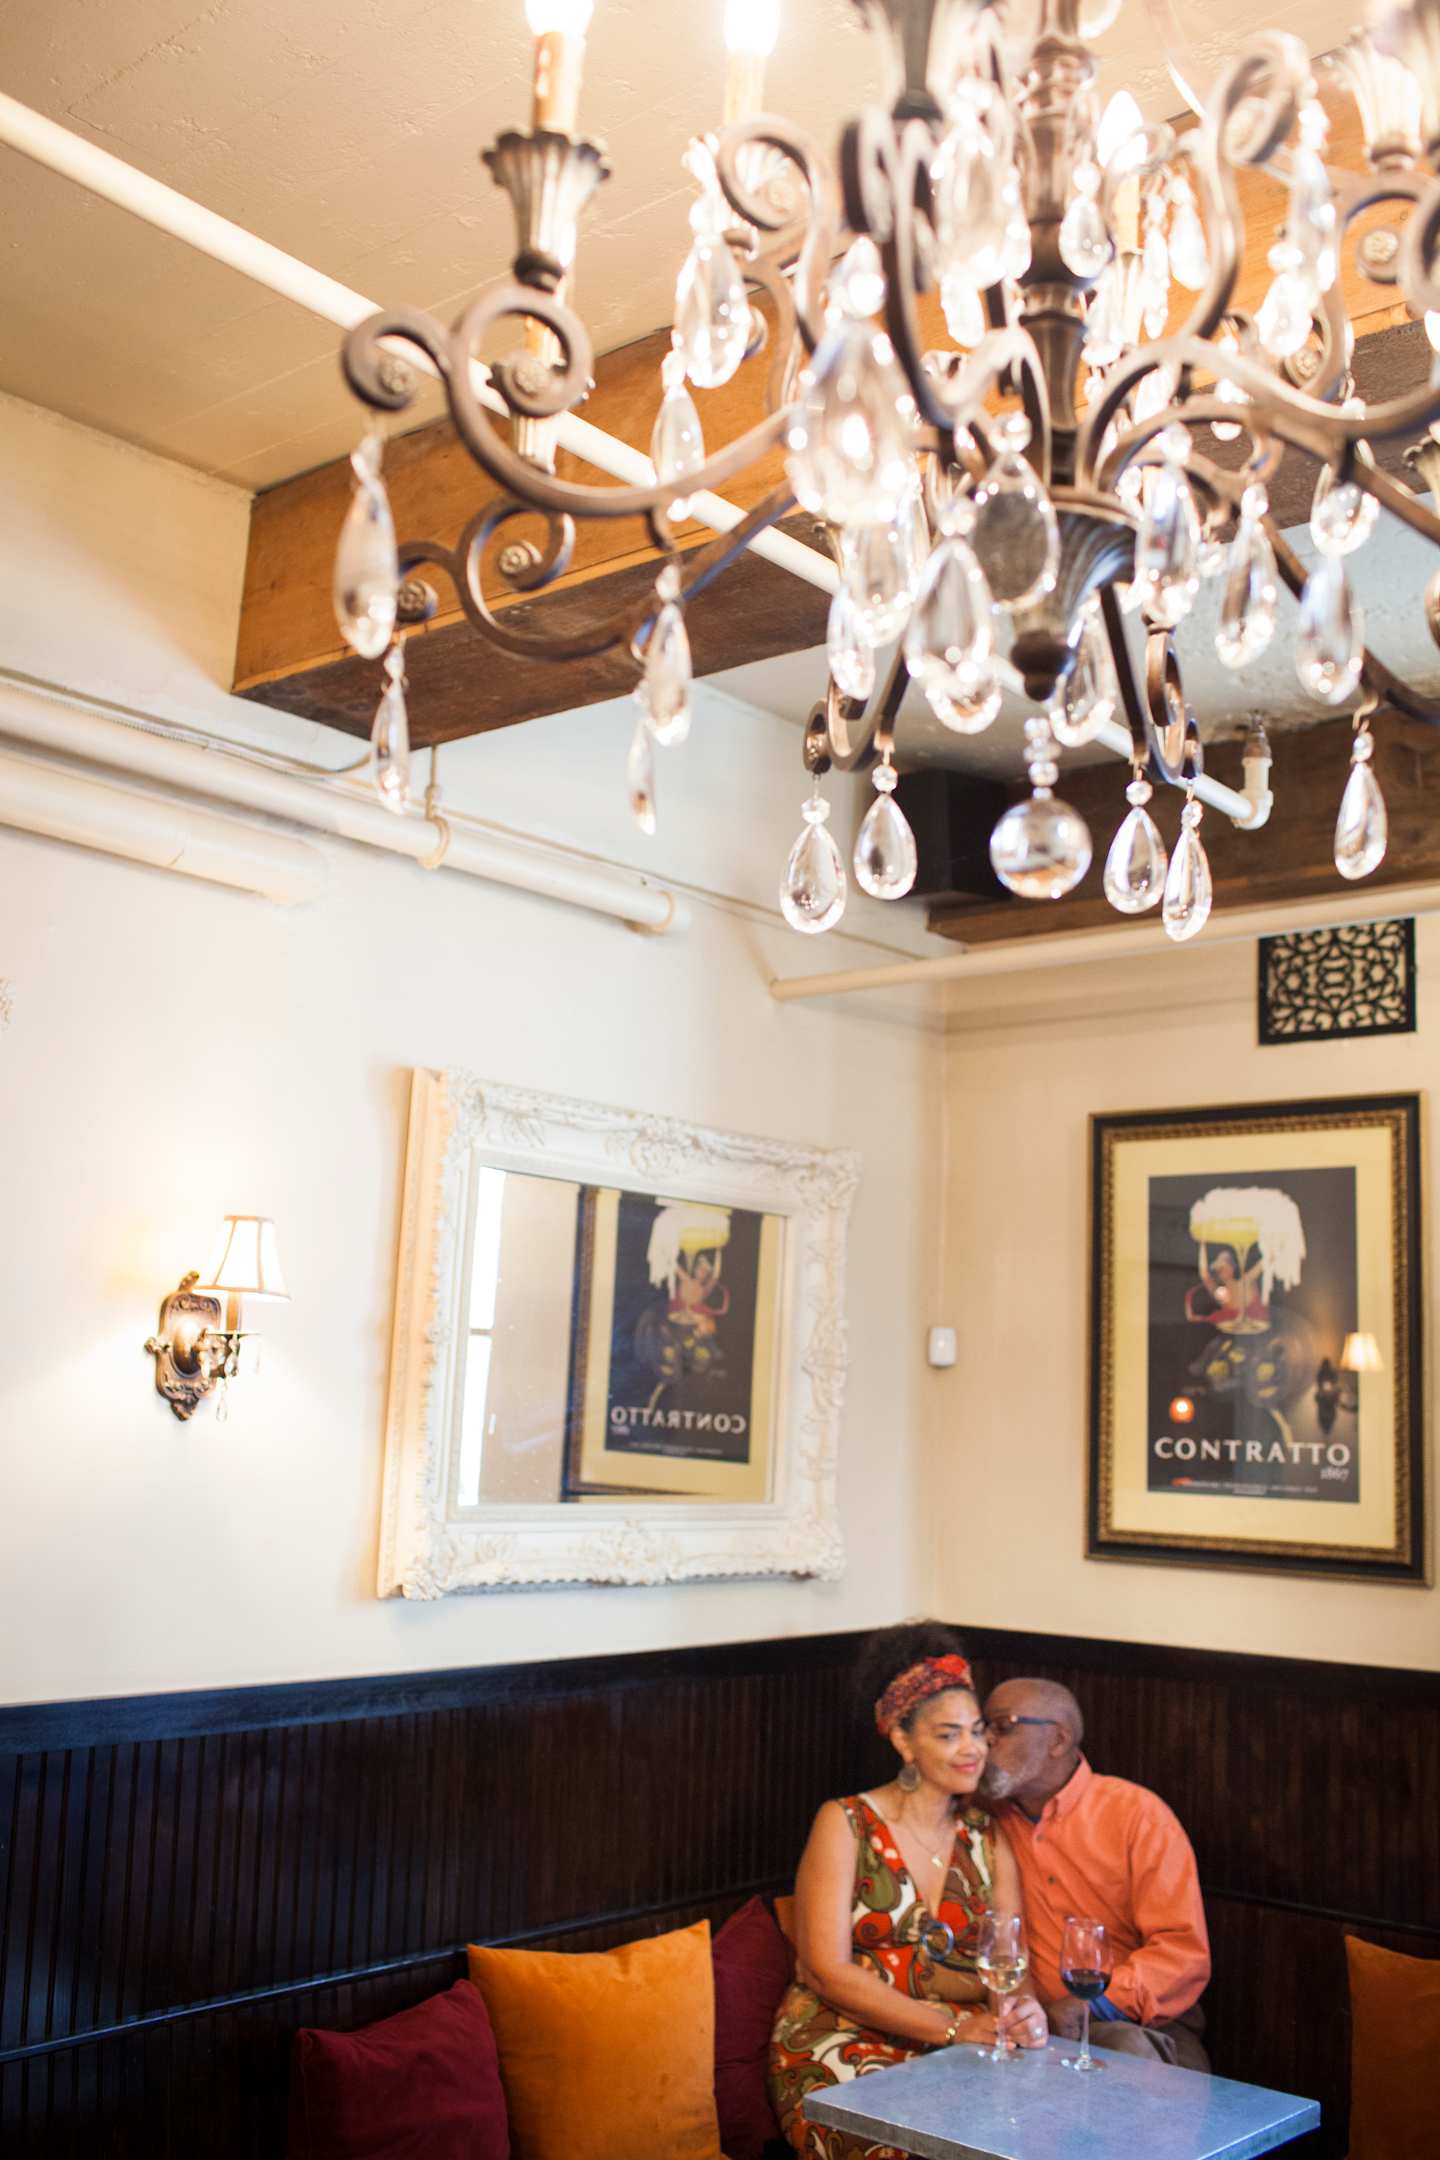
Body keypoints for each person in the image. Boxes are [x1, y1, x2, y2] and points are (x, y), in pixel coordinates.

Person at [768, 1624, 1047, 2158]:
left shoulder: (988, 1837)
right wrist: (952, 2028)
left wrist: (1022, 2011)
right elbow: (826, 1970)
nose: (973, 1750)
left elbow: (1011, 1962)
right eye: (948, 1735)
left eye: (977, 1730)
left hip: (958, 2054)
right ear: (902, 1739)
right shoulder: (845, 1822)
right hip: (840, 2041)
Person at [978, 1676, 1211, 2071]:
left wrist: (1089, 2004)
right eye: (980, 1727)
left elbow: (1183, 1955)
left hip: (1140, 2021)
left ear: (1058, 1741)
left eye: (1002, 1727)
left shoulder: (1136, 1815)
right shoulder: (980, 1815)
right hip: (1026, 2026)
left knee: (1124, 2054)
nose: (984, 1741)